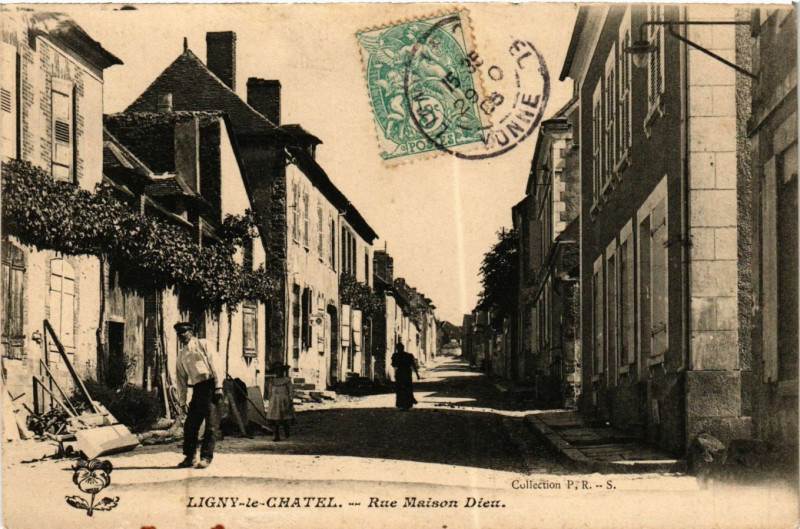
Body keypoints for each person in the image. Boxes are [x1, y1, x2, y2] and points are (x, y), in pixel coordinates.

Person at [174, 322, 224, 469]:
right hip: (198, 389)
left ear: (191, 332)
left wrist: (219, 386)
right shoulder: (182, 355)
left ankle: (206, 457)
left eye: (184, 332)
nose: (181, 336)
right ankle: (190, 457)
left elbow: (216, 364)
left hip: (212, 385)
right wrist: (182, 402)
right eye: (178, 333)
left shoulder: (203, 344)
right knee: (190, 425)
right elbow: (180, 380)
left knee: (211, 425)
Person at [266, 362, 295, 441]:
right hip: (274, 400)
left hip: (284, 399)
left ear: (283, 371)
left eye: (280, 371)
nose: (278, 372)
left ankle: (286, 429)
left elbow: (291, 390)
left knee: (285, 416)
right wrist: (270, 399)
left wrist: (290, 399)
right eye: (276, 371)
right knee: (275, 418)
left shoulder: (287, 380)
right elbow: (270, 391)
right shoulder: (272, 381)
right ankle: (277, 435)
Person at [391, 342, 420, 411]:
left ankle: (402, 404)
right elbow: (414, 365)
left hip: (400, 373)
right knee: (407, 388)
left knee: (400, 388)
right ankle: (408, 404)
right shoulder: (409, 355)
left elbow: (393, 365)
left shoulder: (395, 355)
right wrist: (417, 374)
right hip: (407, 373)